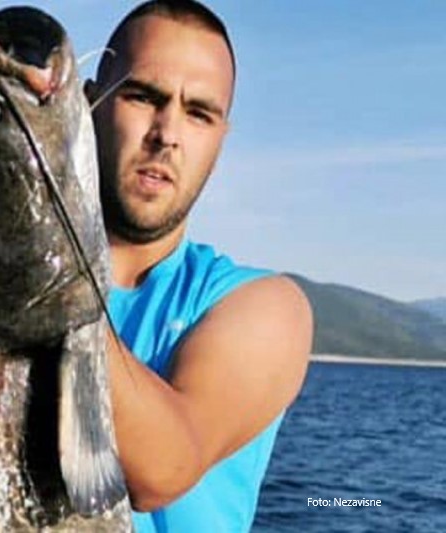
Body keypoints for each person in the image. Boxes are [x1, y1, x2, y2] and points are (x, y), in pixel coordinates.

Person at [83, 1, 313, 531]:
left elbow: (163, 469)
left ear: (219, 138)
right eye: (144, 96)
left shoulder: (263, 305)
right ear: (89, 104)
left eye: (199, 113)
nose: (167, 133)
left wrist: (31, 259)